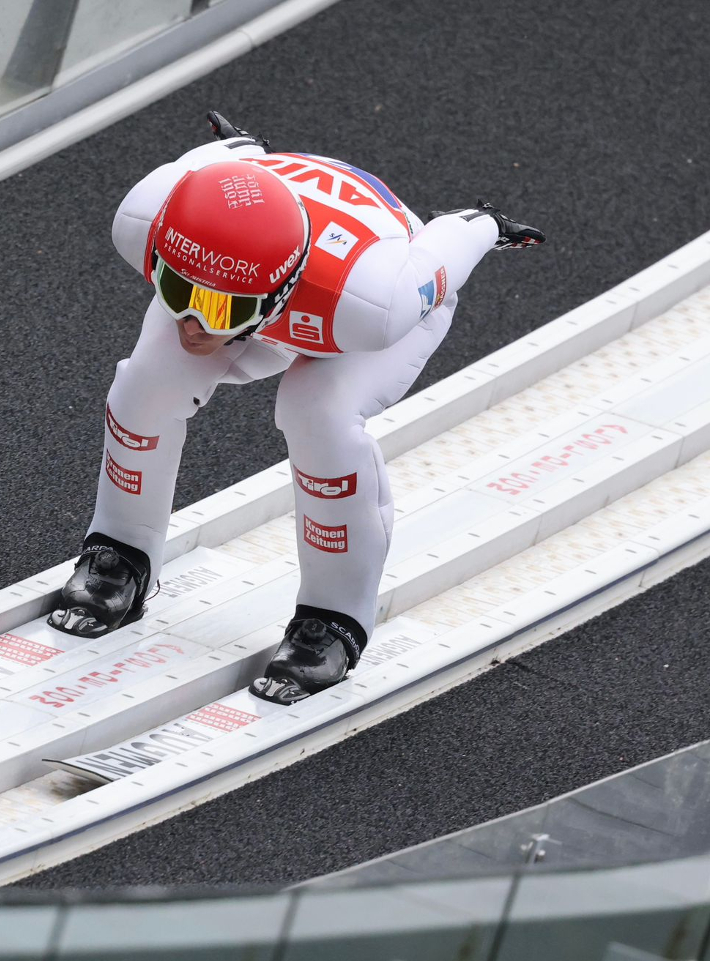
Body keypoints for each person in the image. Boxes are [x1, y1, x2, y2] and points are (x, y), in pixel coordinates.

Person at [46, 112, 544, 705]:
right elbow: (201, 175)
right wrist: (239, 153)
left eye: (221, 310)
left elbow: (446, 247)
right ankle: (119, 550)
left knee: (318, 412)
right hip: (271, 269)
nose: (196, 325)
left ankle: (333, 619)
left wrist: (481, 224)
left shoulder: (371, 302)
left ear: (279, 294)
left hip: (345, 301)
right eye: (177, 292)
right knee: (148, 383)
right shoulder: (145, 221)